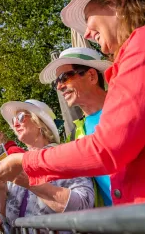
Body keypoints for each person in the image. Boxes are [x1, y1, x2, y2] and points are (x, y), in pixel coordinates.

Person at [0, 0, 145, 205]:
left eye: (89, 18)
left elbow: (107, 149)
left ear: (117, 2)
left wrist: (25, 161)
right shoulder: (79, 127)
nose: (88, 32)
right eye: (57, 81)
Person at [0, 100, 94, 233]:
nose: (15, 124)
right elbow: (4, 222)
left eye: (21, 117)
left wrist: (31, 184)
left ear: (39, 122)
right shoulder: (17, 165)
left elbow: (84, 205)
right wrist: (1, 190)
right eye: (13, 120)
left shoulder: (64, 155)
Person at [39, 47, 113, 207]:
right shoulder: (76, 133)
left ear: (92, 76)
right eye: (56, 82)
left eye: (64, 77)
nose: (59, 87)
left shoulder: (126, 107)